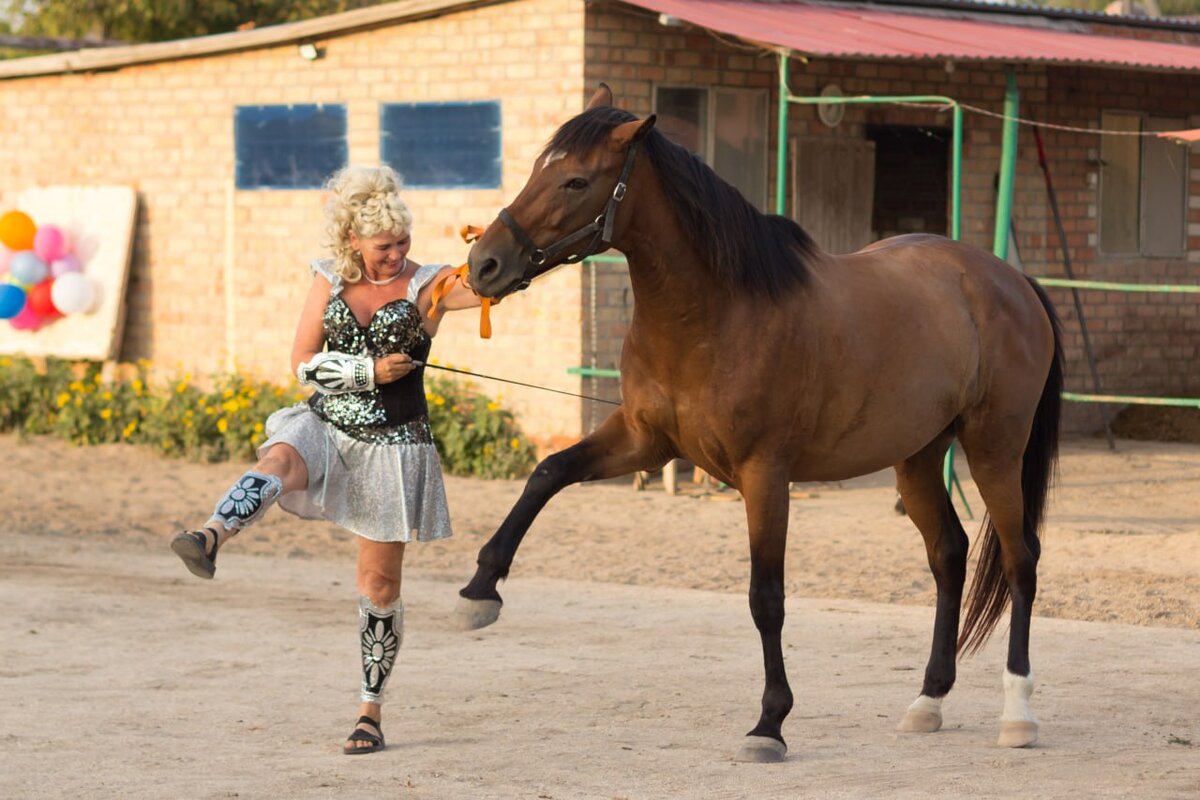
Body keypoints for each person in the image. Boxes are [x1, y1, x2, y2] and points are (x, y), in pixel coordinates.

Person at [170, 164, 482, 755]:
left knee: (379, 584)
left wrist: (519, 255)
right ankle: (210, 536)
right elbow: (302, 360)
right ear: (353, 242)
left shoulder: (431, 284)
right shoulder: (328, 279)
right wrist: (367, 370)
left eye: (402, 242)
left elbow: (488, 284)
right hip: (327, 419)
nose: (396, 254)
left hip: (393, 446)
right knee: (283, 456)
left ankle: (370, 710)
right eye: (384, 246)